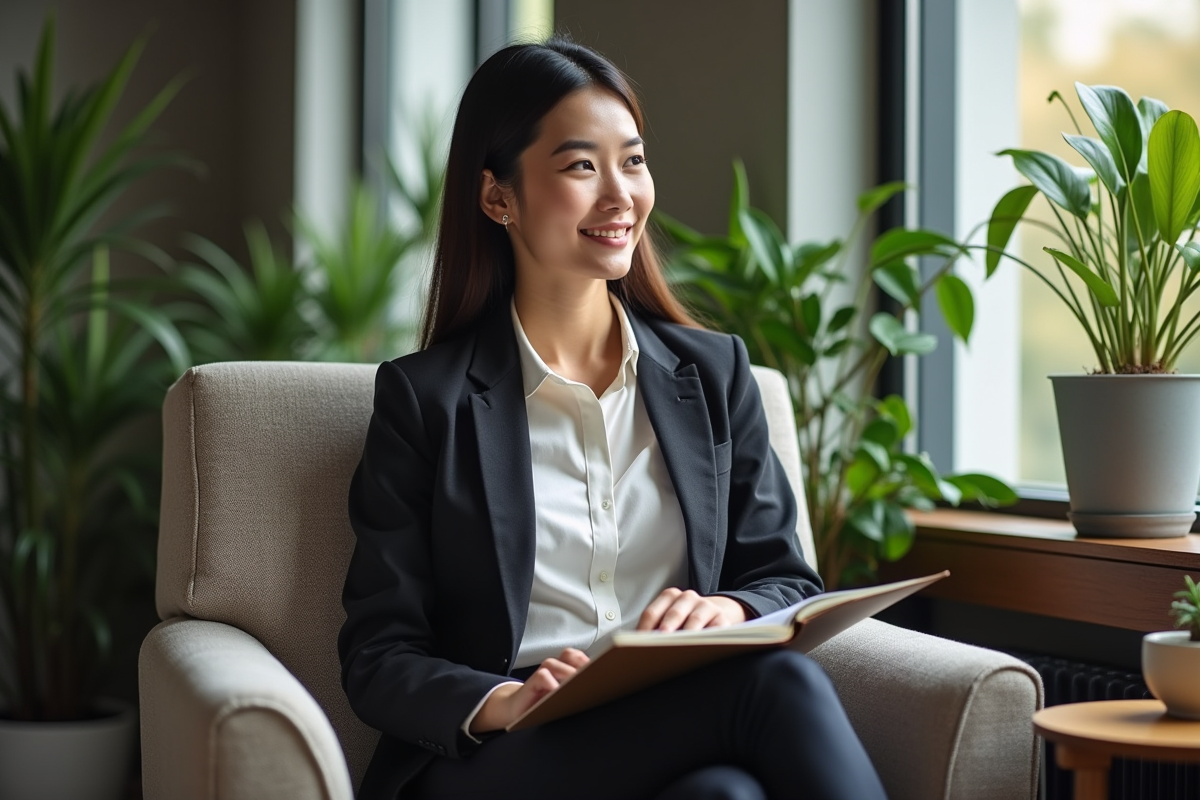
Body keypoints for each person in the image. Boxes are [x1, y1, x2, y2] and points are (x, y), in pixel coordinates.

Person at [338, 37, 887, 800]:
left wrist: (725, 605)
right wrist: (506, 701)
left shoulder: (714, 373)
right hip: (499, 755)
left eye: (631, 160)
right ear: (498, 197)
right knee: (773, 685)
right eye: (579, 166)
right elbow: (379, 653)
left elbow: (786, 581)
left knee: (726, 798)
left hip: (662, 725)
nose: (619, 194)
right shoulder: (424, 400)